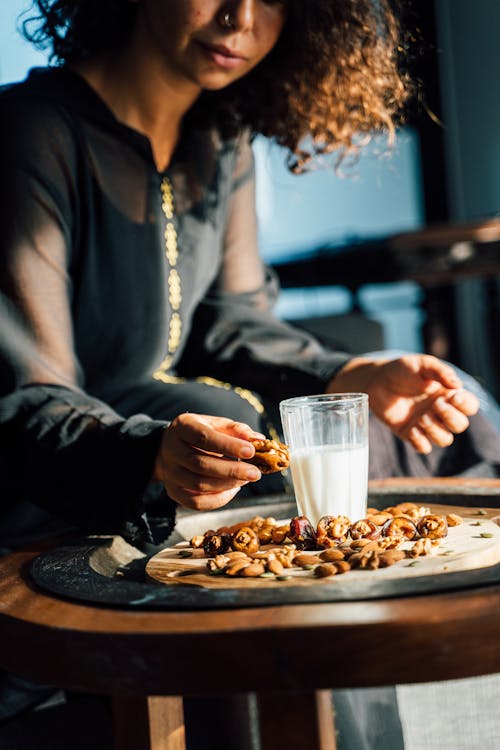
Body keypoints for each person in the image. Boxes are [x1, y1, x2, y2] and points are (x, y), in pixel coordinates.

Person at [0, 1, 499, 747]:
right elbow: (24, 394)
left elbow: (232, 321)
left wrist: (350, 371)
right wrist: (149, 453)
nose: (240, 18)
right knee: (268, 475)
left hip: (175, 431)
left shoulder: (220, 137)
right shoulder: (29, 132)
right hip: (60, 467)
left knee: (444, 409)